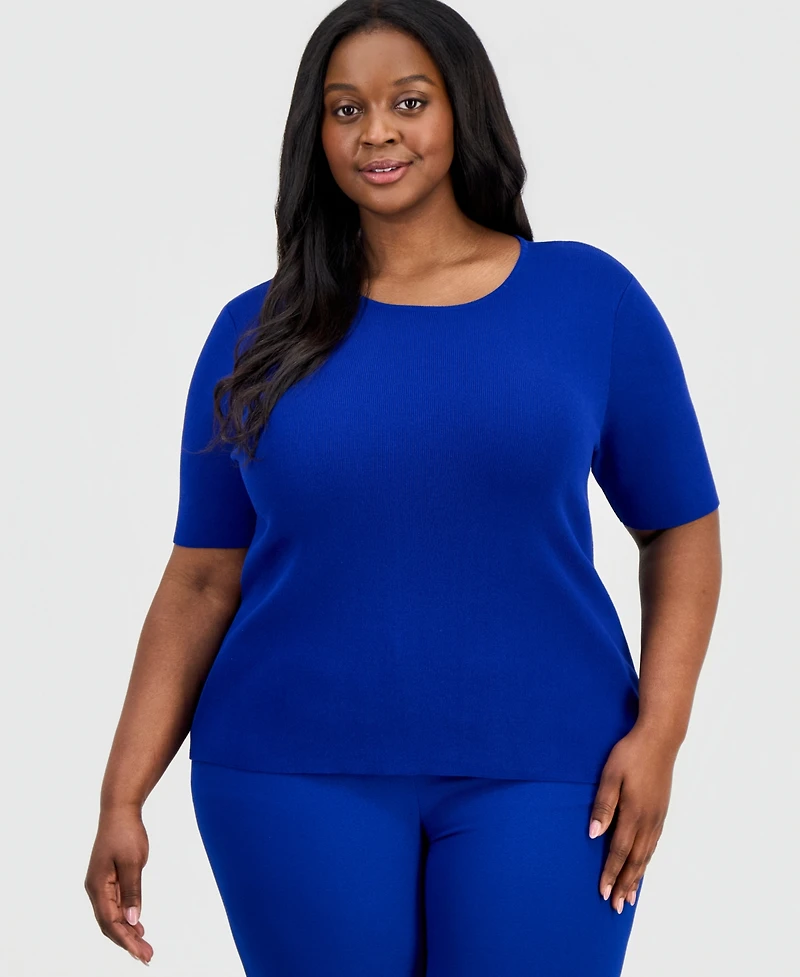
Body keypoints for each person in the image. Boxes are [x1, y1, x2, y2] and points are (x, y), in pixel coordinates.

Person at [83, 1, 723, 974]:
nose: (375, 131)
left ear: (462, 109)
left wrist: (661, 733)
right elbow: (201, 578)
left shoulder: (586, 300)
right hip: (286, 771)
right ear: (316, 134)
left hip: (555, 768)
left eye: (408, 102)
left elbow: (680, 527)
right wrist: (122, 793)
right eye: (345, 109)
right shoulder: (254, 332)